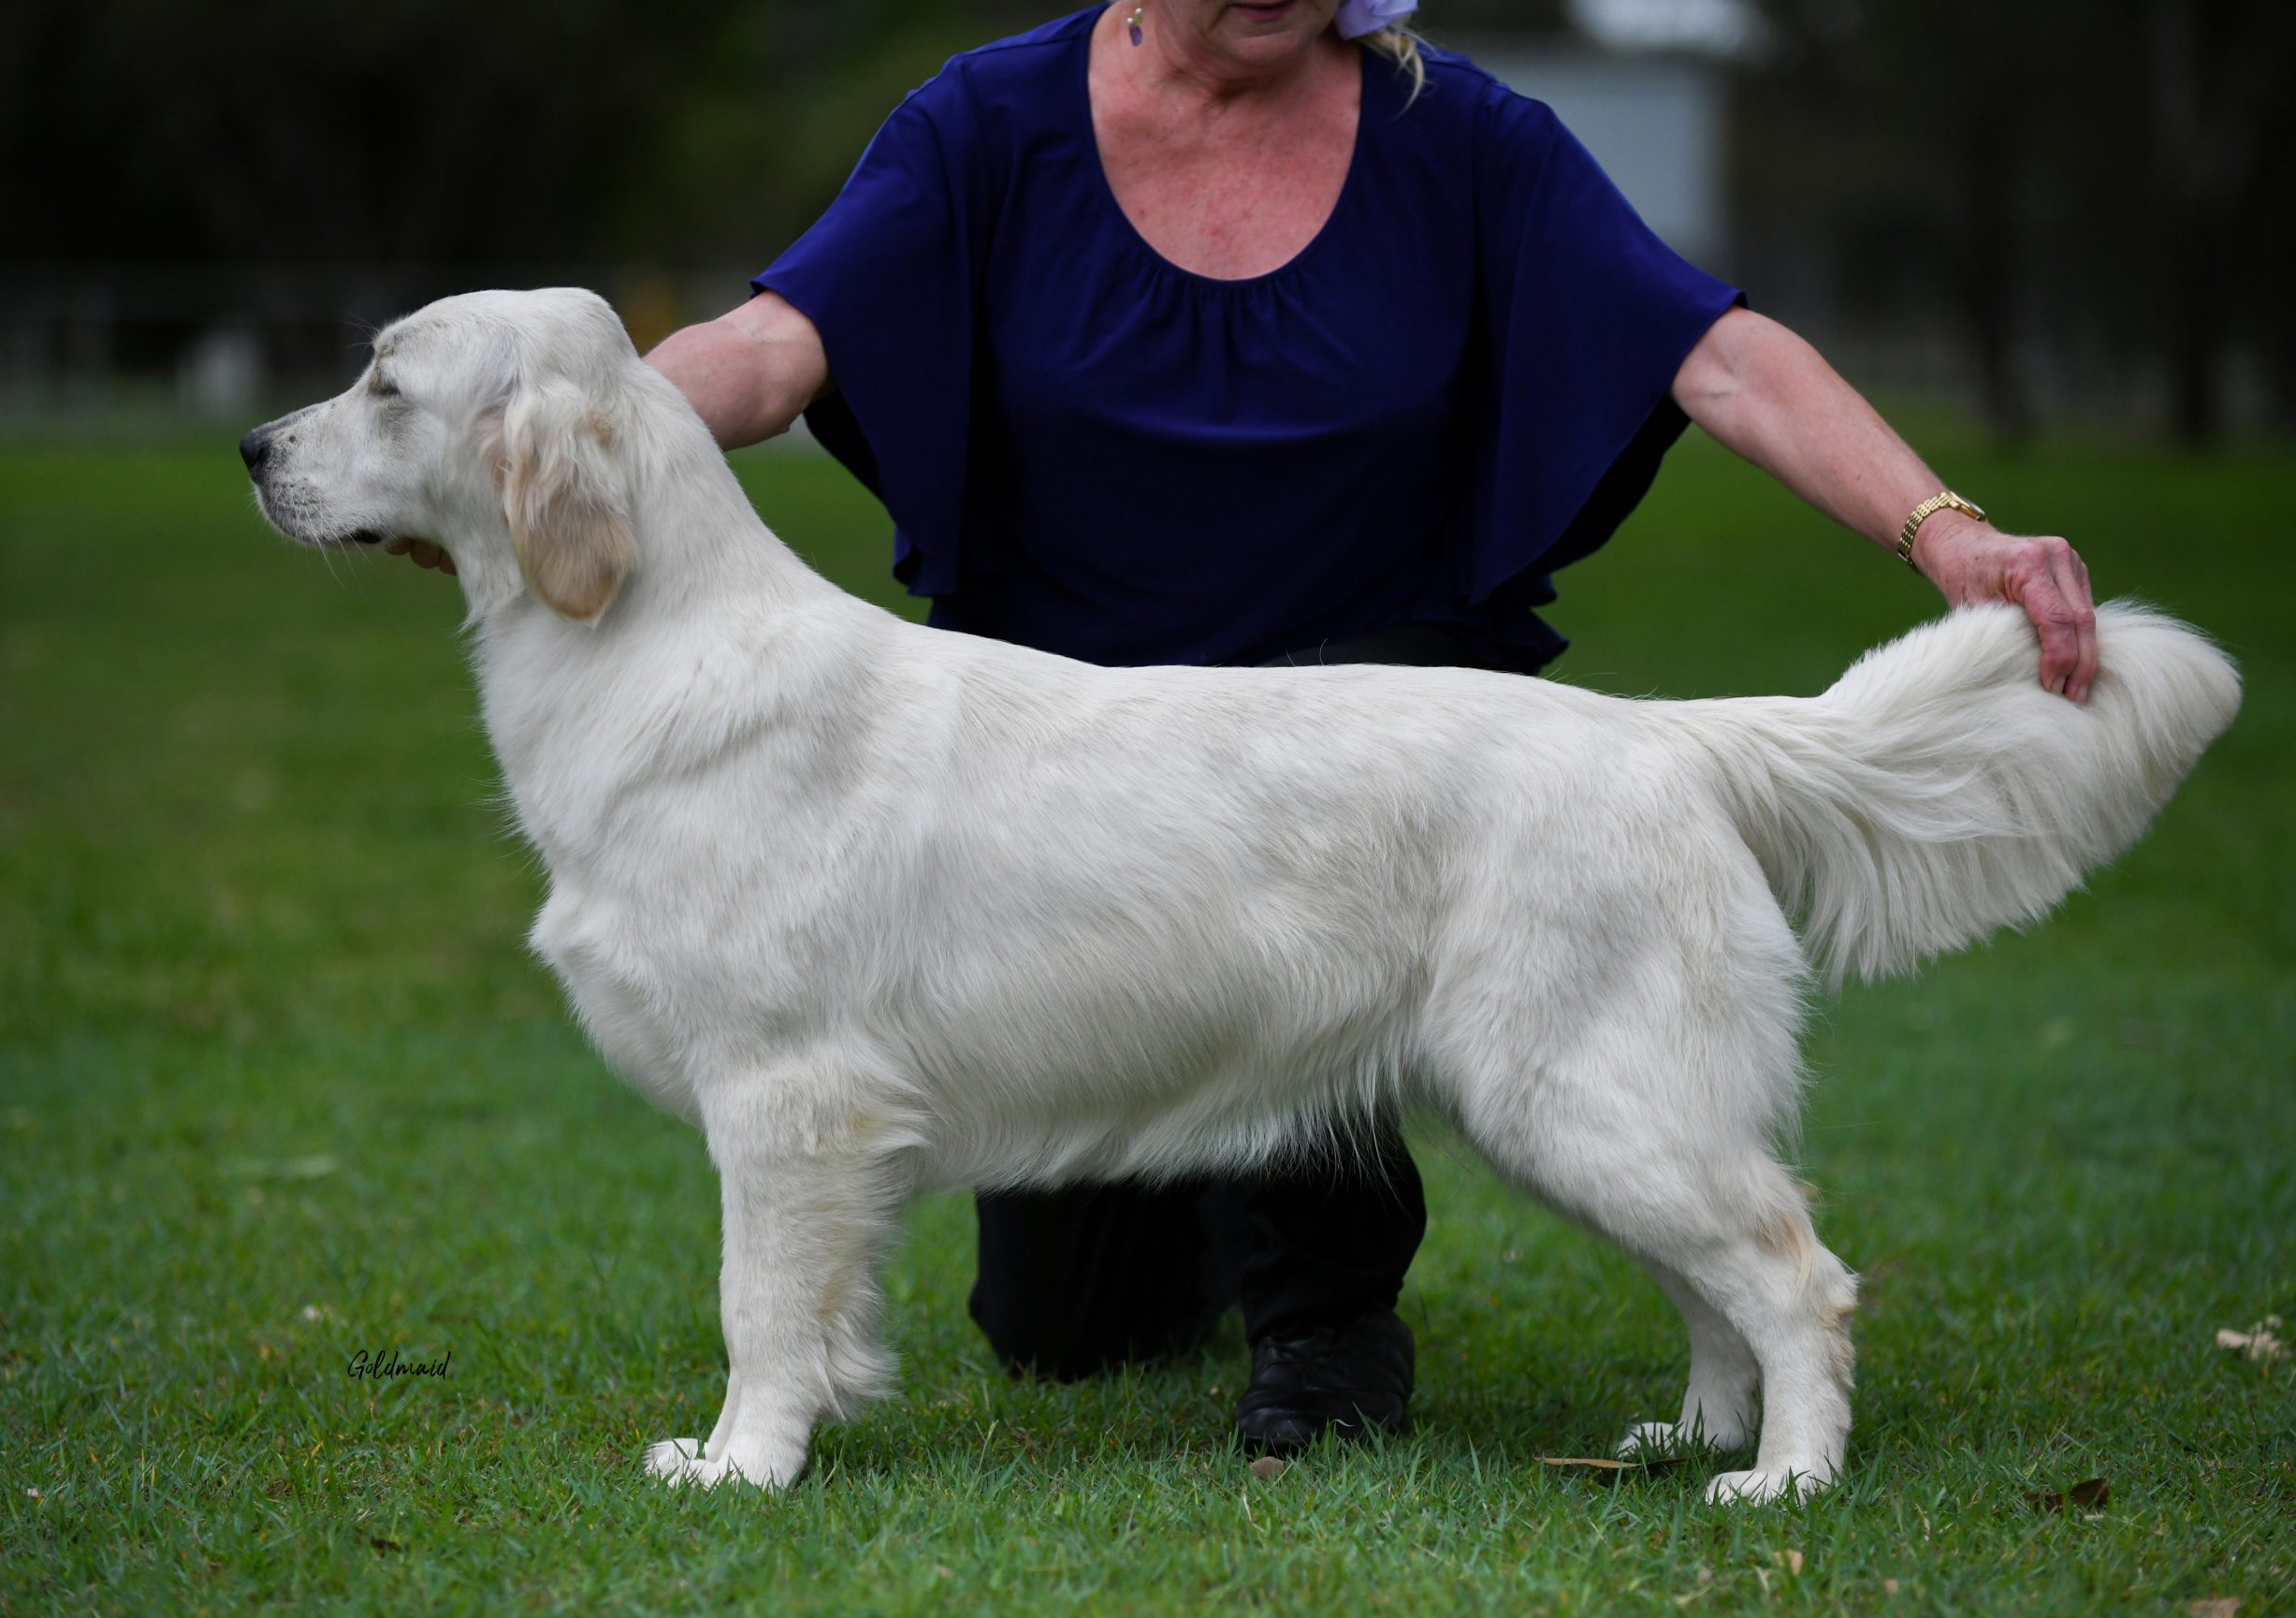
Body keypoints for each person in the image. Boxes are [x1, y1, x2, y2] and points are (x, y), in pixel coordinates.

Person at [500, 0, 2100, 1456]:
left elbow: (1725, 359)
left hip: (1379, 756)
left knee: (1388, 1045)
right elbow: (775, 345)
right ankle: (1220, 1161)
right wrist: (581, 443)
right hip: (1061, 796)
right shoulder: (986, 124)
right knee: (1065, 1328)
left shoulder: (1459, 137)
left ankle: (1324, 1309)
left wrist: (1946, 531)